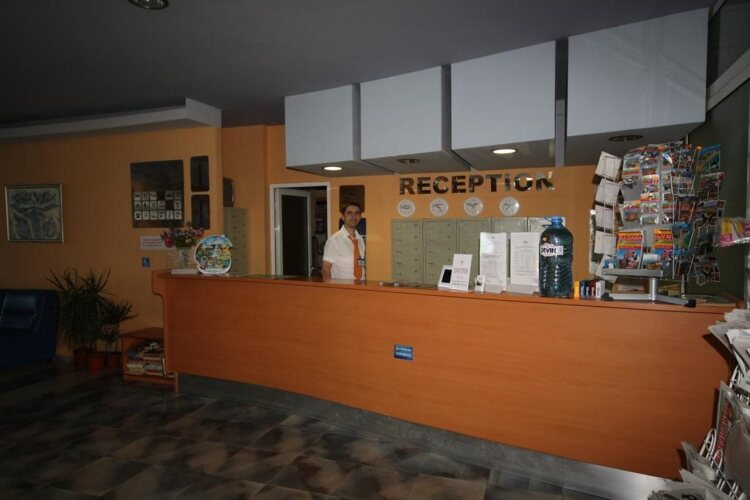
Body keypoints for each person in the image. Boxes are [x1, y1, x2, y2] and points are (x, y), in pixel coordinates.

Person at [321, 201, 365, 281]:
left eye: (357, 213)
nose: (354, 216)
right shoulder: (333, 240)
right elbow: (325, 271)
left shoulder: (360, 240)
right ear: (343, 217)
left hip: (361, 286)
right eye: (349, 213)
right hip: (341, 287)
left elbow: (361, 265)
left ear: (360, 217)